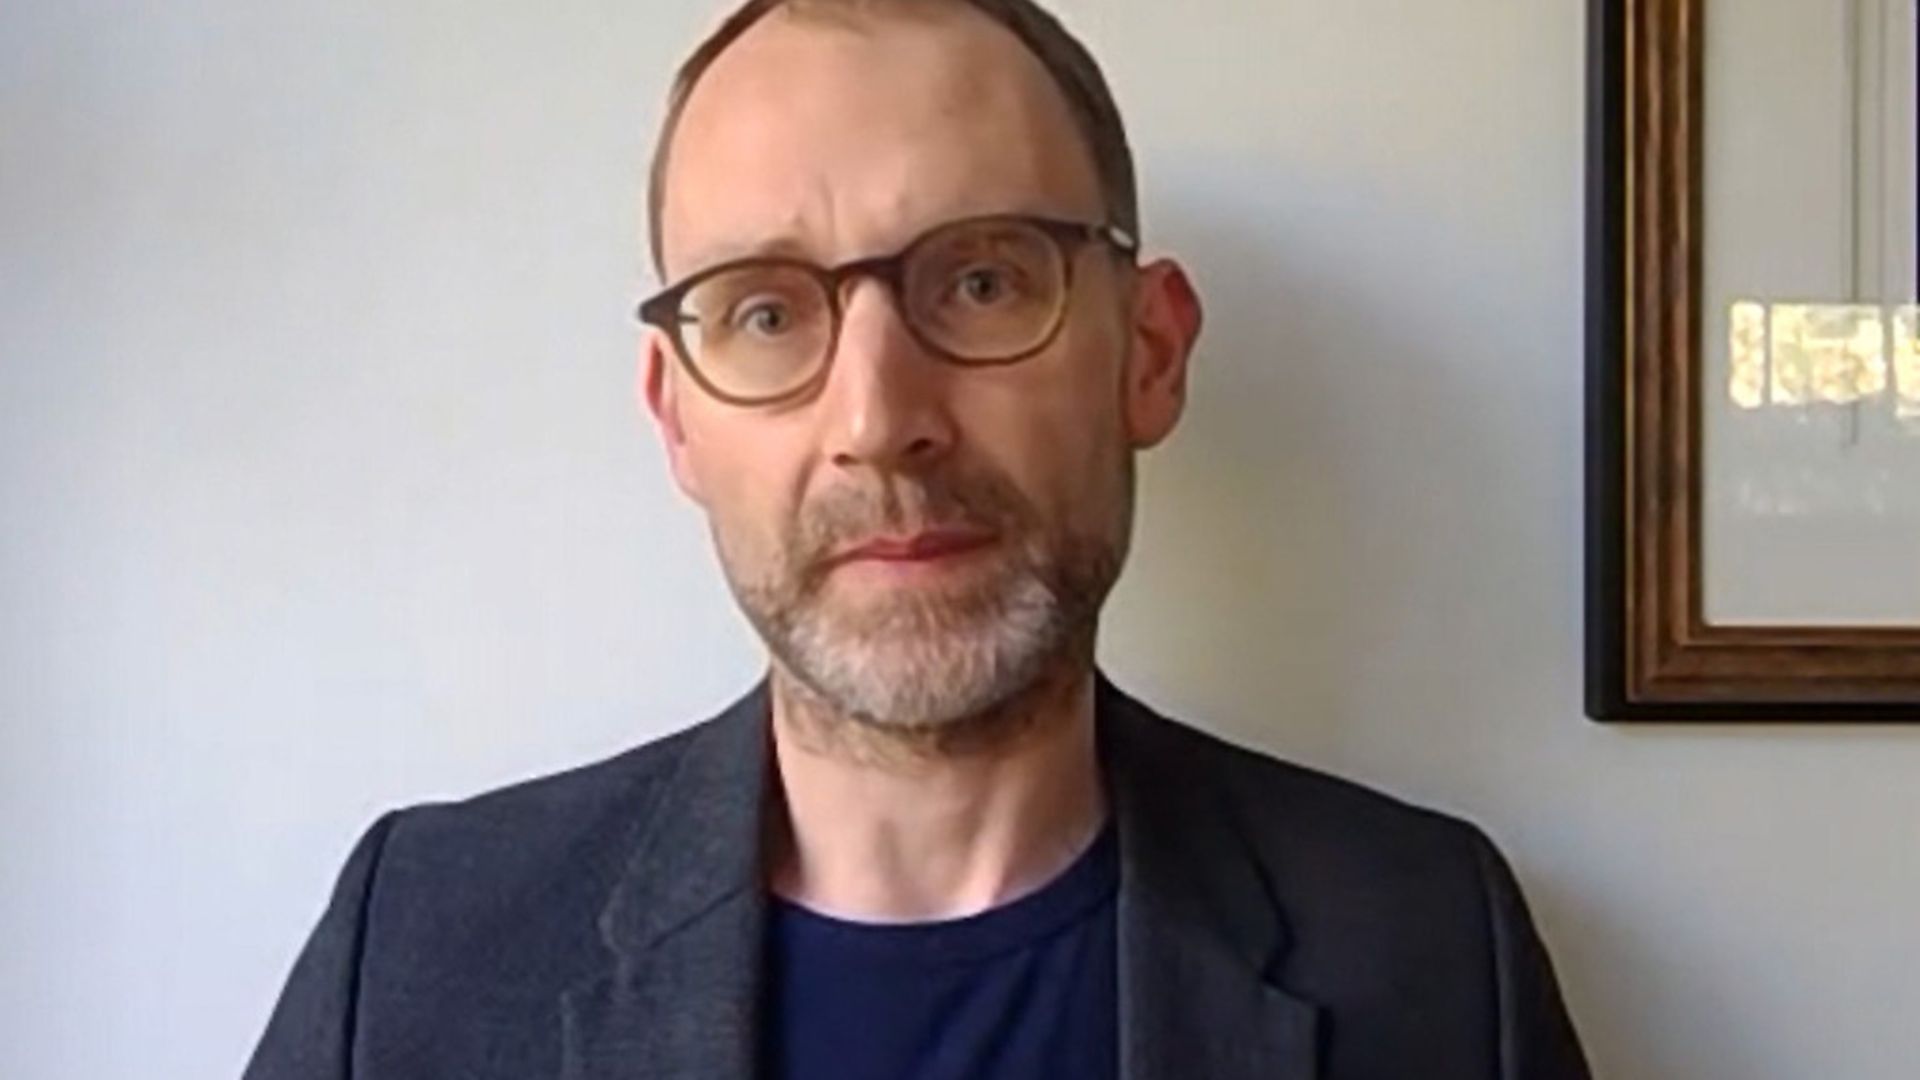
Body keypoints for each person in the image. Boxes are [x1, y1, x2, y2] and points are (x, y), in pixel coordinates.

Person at [244, 1, 1591, 1077]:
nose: (880, 419)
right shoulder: (419, 946)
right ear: (677, 421)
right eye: (766, 314)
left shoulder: (1426, 946)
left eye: (986, 280)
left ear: (1152, 354)